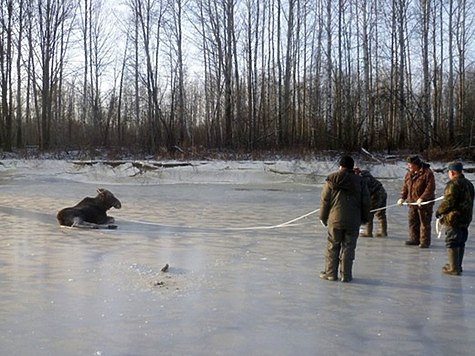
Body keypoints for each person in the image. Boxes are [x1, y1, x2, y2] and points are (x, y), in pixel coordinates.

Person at [319, 155, 370, 282]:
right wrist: (365, 218)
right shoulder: (360, 181)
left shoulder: (331, 178)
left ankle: (331, 273)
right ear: (352, 167)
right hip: (354, 220)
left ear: (340, 166)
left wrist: (323, 217)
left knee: (333, 246)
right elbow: (366, 201)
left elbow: (325, 200)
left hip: (335, 219)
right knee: (349, 247)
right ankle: (346, 275)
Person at [435, 161, 474, 275]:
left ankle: (453, 268)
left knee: (451, 241)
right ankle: (457, 265)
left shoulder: (452, 184)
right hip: (466, 217)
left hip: (454, 218)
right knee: (461, 241)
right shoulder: (469, 184)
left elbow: (448, 202)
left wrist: (439, 211)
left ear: (452, 172)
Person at [398, 155, 435, 248]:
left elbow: (430, 188)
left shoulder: (427, 173)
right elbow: (405, 186)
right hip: (412, 202)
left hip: (424, 203)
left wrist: (422, 198)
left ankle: (424, 241)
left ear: (417, 164)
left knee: (424, 222)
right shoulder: (409, 174)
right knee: (413, 221)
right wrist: (402, 197)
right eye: (408, 165)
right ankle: (414, 239)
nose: (409, 167)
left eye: (411, 165)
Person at [354, 167, 388, 237]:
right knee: (381, 213)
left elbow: (365, 192)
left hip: (375, 195)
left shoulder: (362, 178)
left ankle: (368, 232)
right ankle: (383, 232)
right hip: (382, 192)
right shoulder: (366, 175)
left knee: (369, 212)